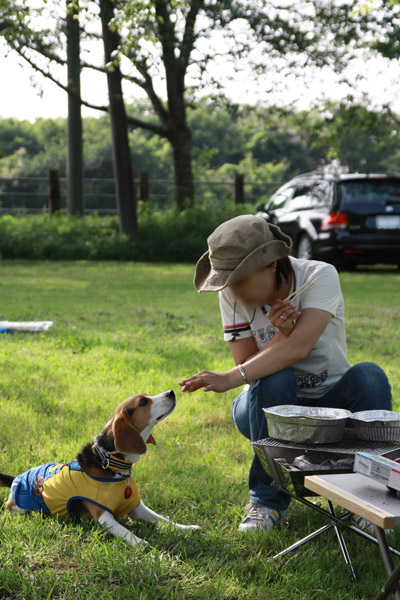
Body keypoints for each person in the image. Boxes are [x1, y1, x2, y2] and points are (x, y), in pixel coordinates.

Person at [179, 215, 392, 533]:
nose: (234, 291)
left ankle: (370, 498)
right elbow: (253, 366)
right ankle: (266, 503)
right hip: (264, 402)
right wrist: (279, 338)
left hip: (332, 409)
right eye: (229, 282)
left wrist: (229, 377)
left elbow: (300, 347)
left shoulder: (320, 275)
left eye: (240, 279)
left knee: (370, 376)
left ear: (272, 264)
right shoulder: (231, 296)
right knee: (274, 376)